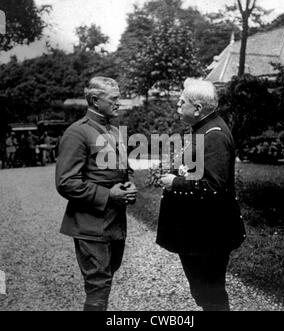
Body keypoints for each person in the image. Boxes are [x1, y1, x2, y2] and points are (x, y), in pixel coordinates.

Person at [156, 78, 246, 311]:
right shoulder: (205, 129)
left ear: (197, 109)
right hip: (201, 233)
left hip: (208, 235)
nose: (177, 103)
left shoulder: (213, 135)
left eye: (182, 101)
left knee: (210, 296)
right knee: (205, 294)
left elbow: (214, 187)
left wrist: (174, 181)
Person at [56, 76, 137, 311]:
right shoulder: (77, 133)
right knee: (98, 286)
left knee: (106, 279)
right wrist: (108, 195)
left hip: (114, 223)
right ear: (94, 100)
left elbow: (118, 172)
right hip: (90, 224)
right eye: (114, 99)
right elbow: (66, 182)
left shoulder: (114, 130)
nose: (119, 103)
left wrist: (127, 186)